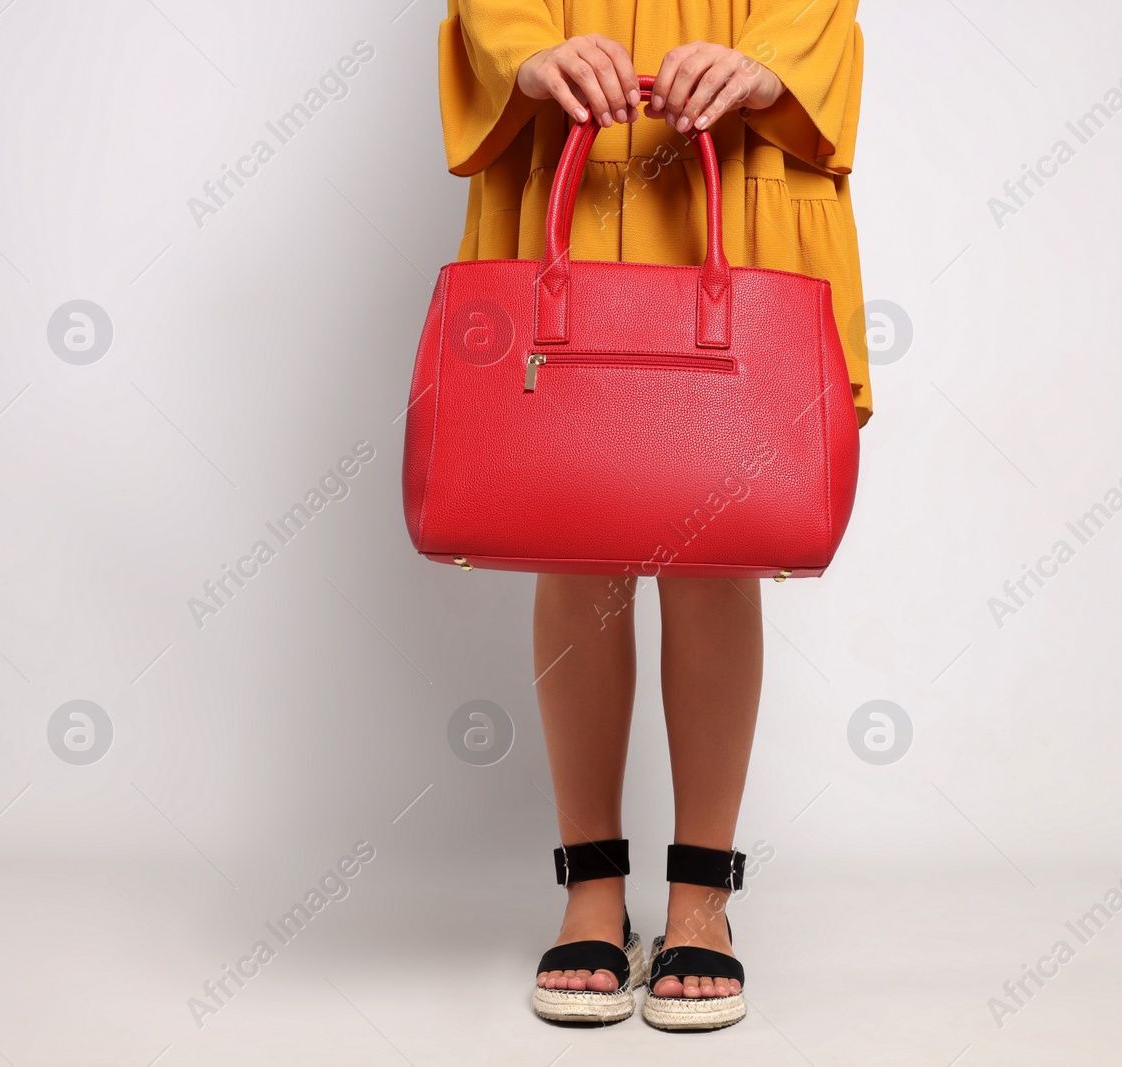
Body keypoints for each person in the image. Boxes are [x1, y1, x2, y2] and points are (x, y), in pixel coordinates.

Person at [435, 0, 868, 1031]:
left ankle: (699, 898)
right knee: (570, 519)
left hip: (735, 153)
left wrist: (767, 63)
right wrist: (525, 51)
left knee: (717, 538)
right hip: (576, 147)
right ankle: (591, 885)